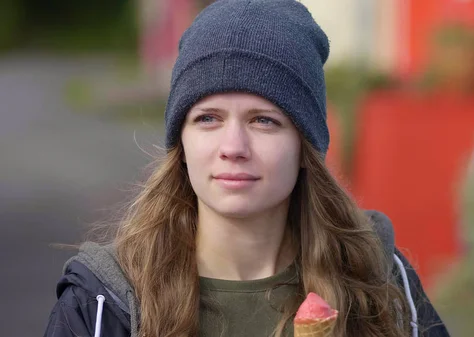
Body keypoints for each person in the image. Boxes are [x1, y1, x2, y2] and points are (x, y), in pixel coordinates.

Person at [43, 1, 450, 336]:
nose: (233, 148)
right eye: (208, 118)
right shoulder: (102, 304)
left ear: (303, 146)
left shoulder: (376, 280)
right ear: (181, 142)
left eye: (263, 120)